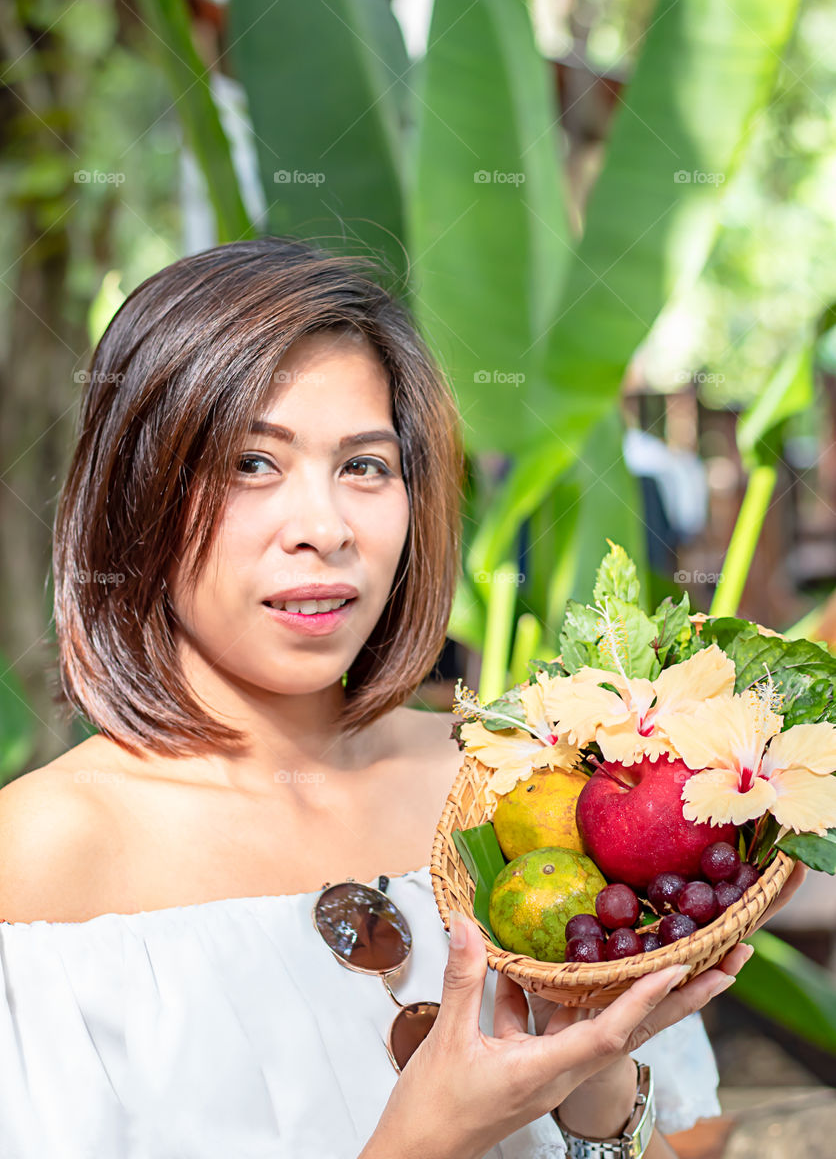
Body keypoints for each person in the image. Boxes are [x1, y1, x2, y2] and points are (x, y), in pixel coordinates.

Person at [0, 237, 804, 1159]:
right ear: (137, 491)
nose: (324, 528)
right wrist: (432, 1142)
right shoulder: (39, 861)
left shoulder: (509, 785)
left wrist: (590, 1079)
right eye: (251, 464)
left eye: (365, 466)